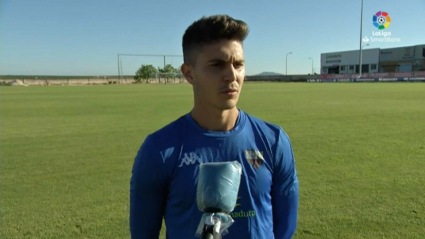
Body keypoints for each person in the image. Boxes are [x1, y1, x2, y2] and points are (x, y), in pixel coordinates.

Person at [130, 14, 299, 239]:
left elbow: (285, 228)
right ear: (189, 73)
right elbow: (143, 233)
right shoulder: (159, 149)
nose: (232, 75)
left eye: (238, 64)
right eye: (217, 65)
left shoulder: (273, 141)